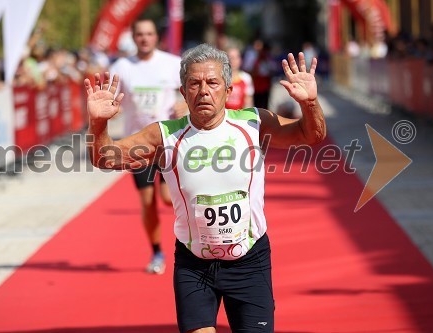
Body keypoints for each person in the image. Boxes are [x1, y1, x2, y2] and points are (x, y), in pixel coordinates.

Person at [85, 43, 326, 332]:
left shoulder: (254, 123)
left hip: (250, 261)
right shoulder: (165, 135)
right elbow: (104, 158)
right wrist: (98, 123)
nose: (203, 91)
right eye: (194, 84)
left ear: (228, 88)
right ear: (183, 92)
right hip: (194, 263)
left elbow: (311, 135)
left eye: (212, 83)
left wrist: (309, 102)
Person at [108, 18, 187, 275]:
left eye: (149, 33)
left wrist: (185, 105)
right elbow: (112, 98)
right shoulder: (122, 66)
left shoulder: (172, 64)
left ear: (157, 37)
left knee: (167, 198)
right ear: (133, 37)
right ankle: (157, 252)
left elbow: (192, 89)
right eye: (140, 34)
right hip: (137, 144)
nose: (144, 38)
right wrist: (112, 108)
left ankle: (190, 239)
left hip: (166, 140)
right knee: (147, 201)